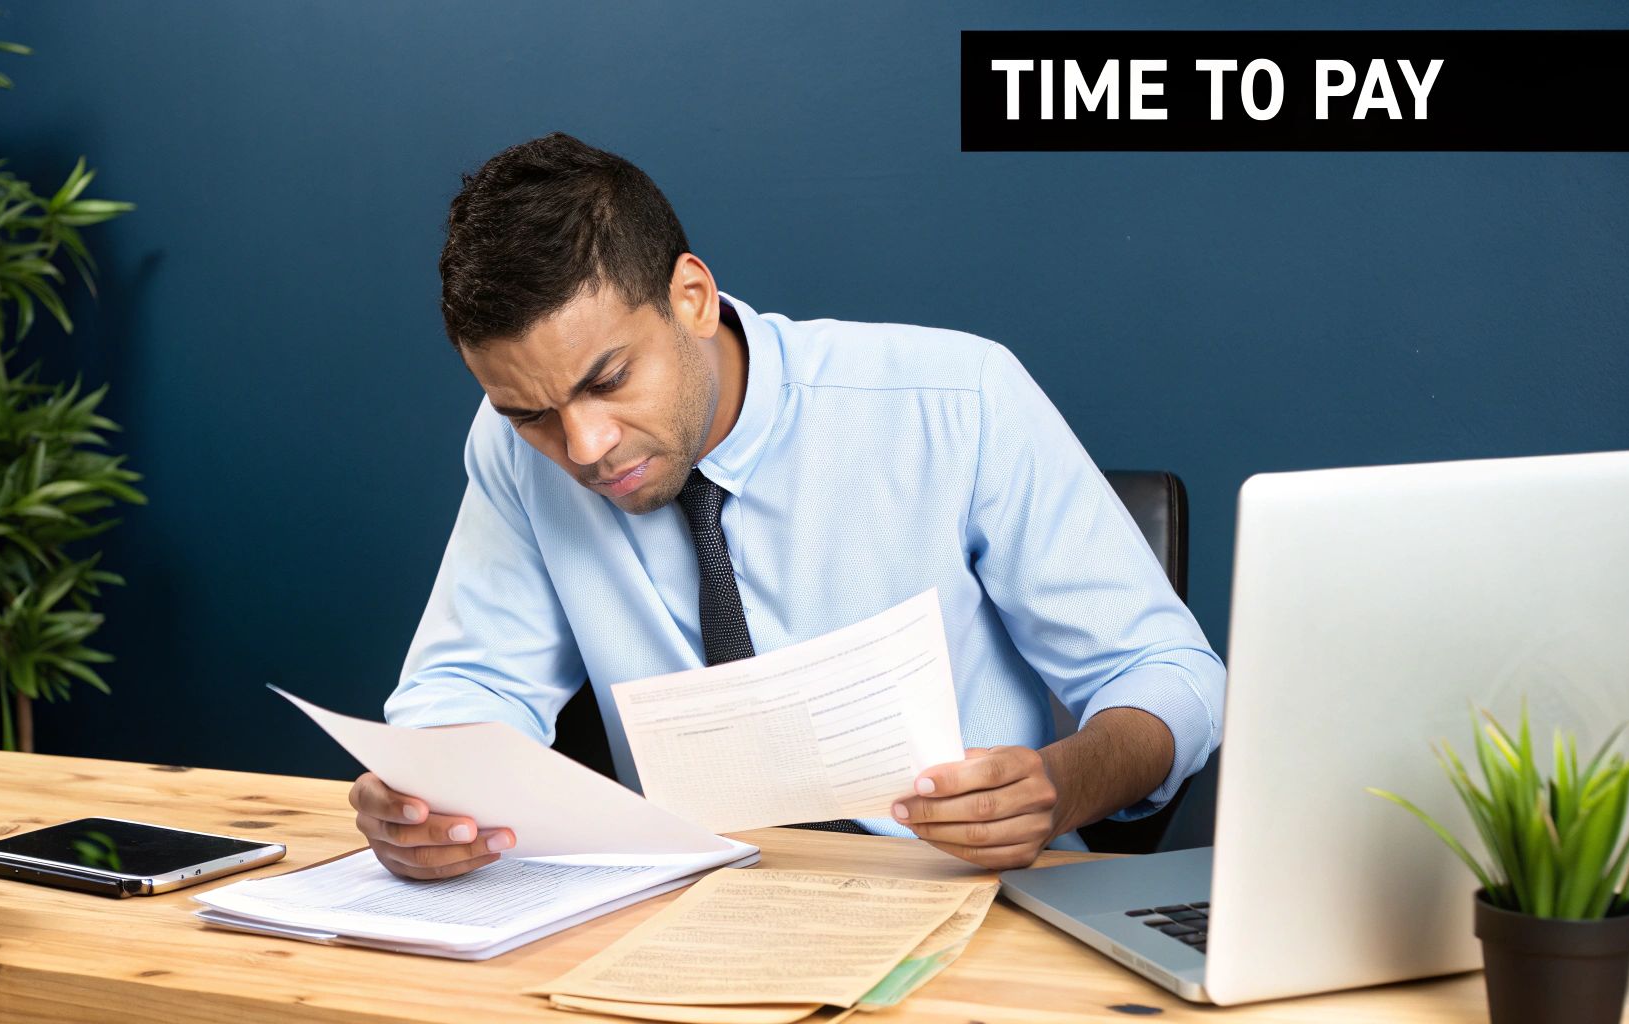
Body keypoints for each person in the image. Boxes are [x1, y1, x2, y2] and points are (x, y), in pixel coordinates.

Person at [348, 133, 1225, 880]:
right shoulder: (514, 447)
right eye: (531, 414)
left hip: (962, 895)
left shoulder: (958, 400)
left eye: (608, 381)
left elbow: (1168, 672)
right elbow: (474, 683)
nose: (582, 445)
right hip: (690, 908)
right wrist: (430, 792)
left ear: (691, 298)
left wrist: (1059, 786)